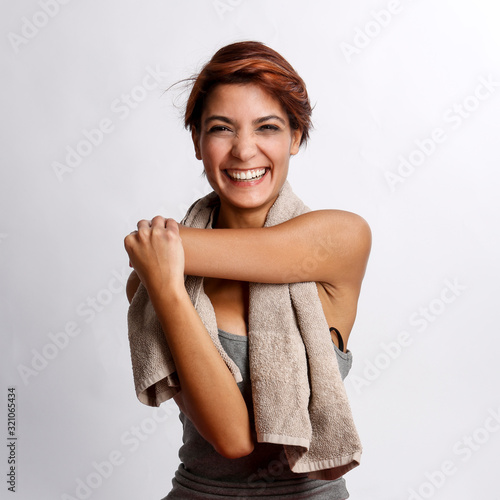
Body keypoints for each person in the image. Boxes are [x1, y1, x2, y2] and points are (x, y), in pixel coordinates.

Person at [124, 41, 371, 499]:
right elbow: (232, 438)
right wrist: (172, 293)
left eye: (267, 127)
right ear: (197, 141)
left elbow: (264, 253)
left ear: (295, 137)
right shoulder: (152, 279)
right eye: (221, 128)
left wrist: (161, 260)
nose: (243, 150)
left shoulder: (341, 239)